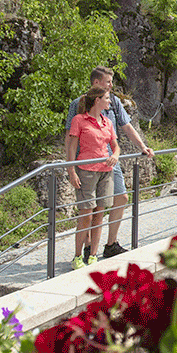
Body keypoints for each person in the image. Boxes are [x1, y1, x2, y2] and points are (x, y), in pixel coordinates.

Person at [65, 66, 154, 262]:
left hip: (109, 162)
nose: (111, 86)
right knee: (89, 209)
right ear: (96, 83)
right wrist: (71, 167)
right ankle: (88, 248)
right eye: (108, 82)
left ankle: (110, 244)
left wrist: (143, 147)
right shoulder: (77, 105)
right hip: (86, 162)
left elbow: (126, 126)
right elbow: (70, 137)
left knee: (121, 197)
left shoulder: (113, 102)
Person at [65, 86, 120, 268]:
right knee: (86, 215)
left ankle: (94, 255)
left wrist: (115, 155)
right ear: (97, 100)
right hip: (86, 171)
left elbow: (116, 145)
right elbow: (72, 147)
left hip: (106, 171)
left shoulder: (107, 122)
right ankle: (77, 256)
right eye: (107, 98)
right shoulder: (79, 120)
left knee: (99, 214)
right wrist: (71, 171)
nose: (109, 101)